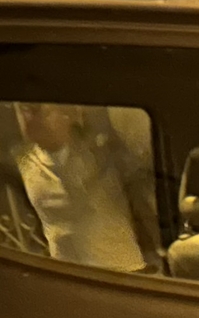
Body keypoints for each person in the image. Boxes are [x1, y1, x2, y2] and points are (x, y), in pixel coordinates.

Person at [8, 101, 158, 272]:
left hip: (121, 272)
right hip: (69, 278)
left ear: (67, 115)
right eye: (21, 111)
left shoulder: (103, 155)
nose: (28, 119)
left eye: (37, 111)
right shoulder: (23, 161)